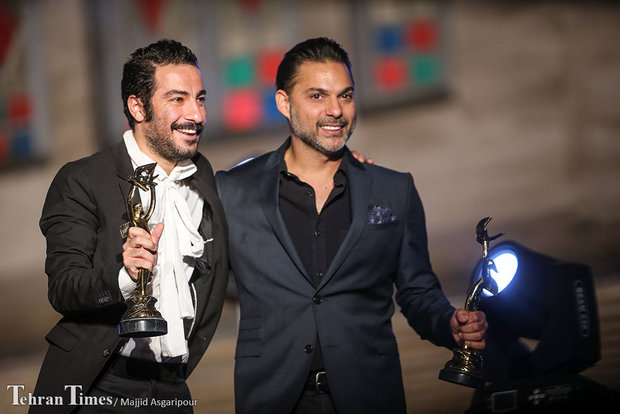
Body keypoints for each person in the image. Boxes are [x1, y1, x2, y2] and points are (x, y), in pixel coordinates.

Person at [215, 37, 488, 414]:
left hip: (370, 395)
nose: (336, 111)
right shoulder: (233, 191)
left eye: (345, 96)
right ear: (283, 103)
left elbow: (418, 291)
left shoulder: (394, 190)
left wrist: (449, 324)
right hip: (272, 398)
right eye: (317, 96)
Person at [31, 39, 228, 414]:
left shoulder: (202, 177)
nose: (197, 114)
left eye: (200, 98)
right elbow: (64, 287)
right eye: (177, 99)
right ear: (137, 106)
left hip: (173, 387)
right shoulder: (82, 180)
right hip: (99, 386)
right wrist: (125, 275)